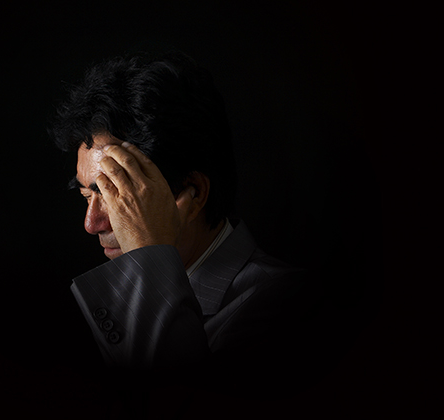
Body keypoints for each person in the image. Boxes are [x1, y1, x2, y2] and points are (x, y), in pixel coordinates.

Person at [49, 51, 323, 397]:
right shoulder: (109, 306)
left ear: (193, 194)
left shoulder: (288, 309)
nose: (91, 224)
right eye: (87, 195)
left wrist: (148, 254)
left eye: (117, 194)